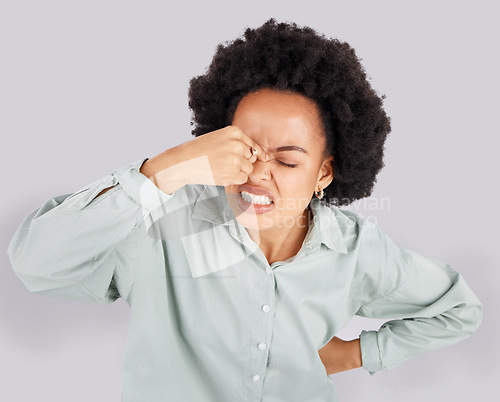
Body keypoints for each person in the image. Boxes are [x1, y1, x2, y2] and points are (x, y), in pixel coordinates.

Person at [7, 18, 482, 402]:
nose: (258, 173)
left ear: (324, 173)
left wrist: (359, 352)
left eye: (288, 159)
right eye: (246, 150)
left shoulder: (355, 249)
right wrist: (164, 169)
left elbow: (459, 309)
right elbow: (36, 262)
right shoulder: (160, 223)